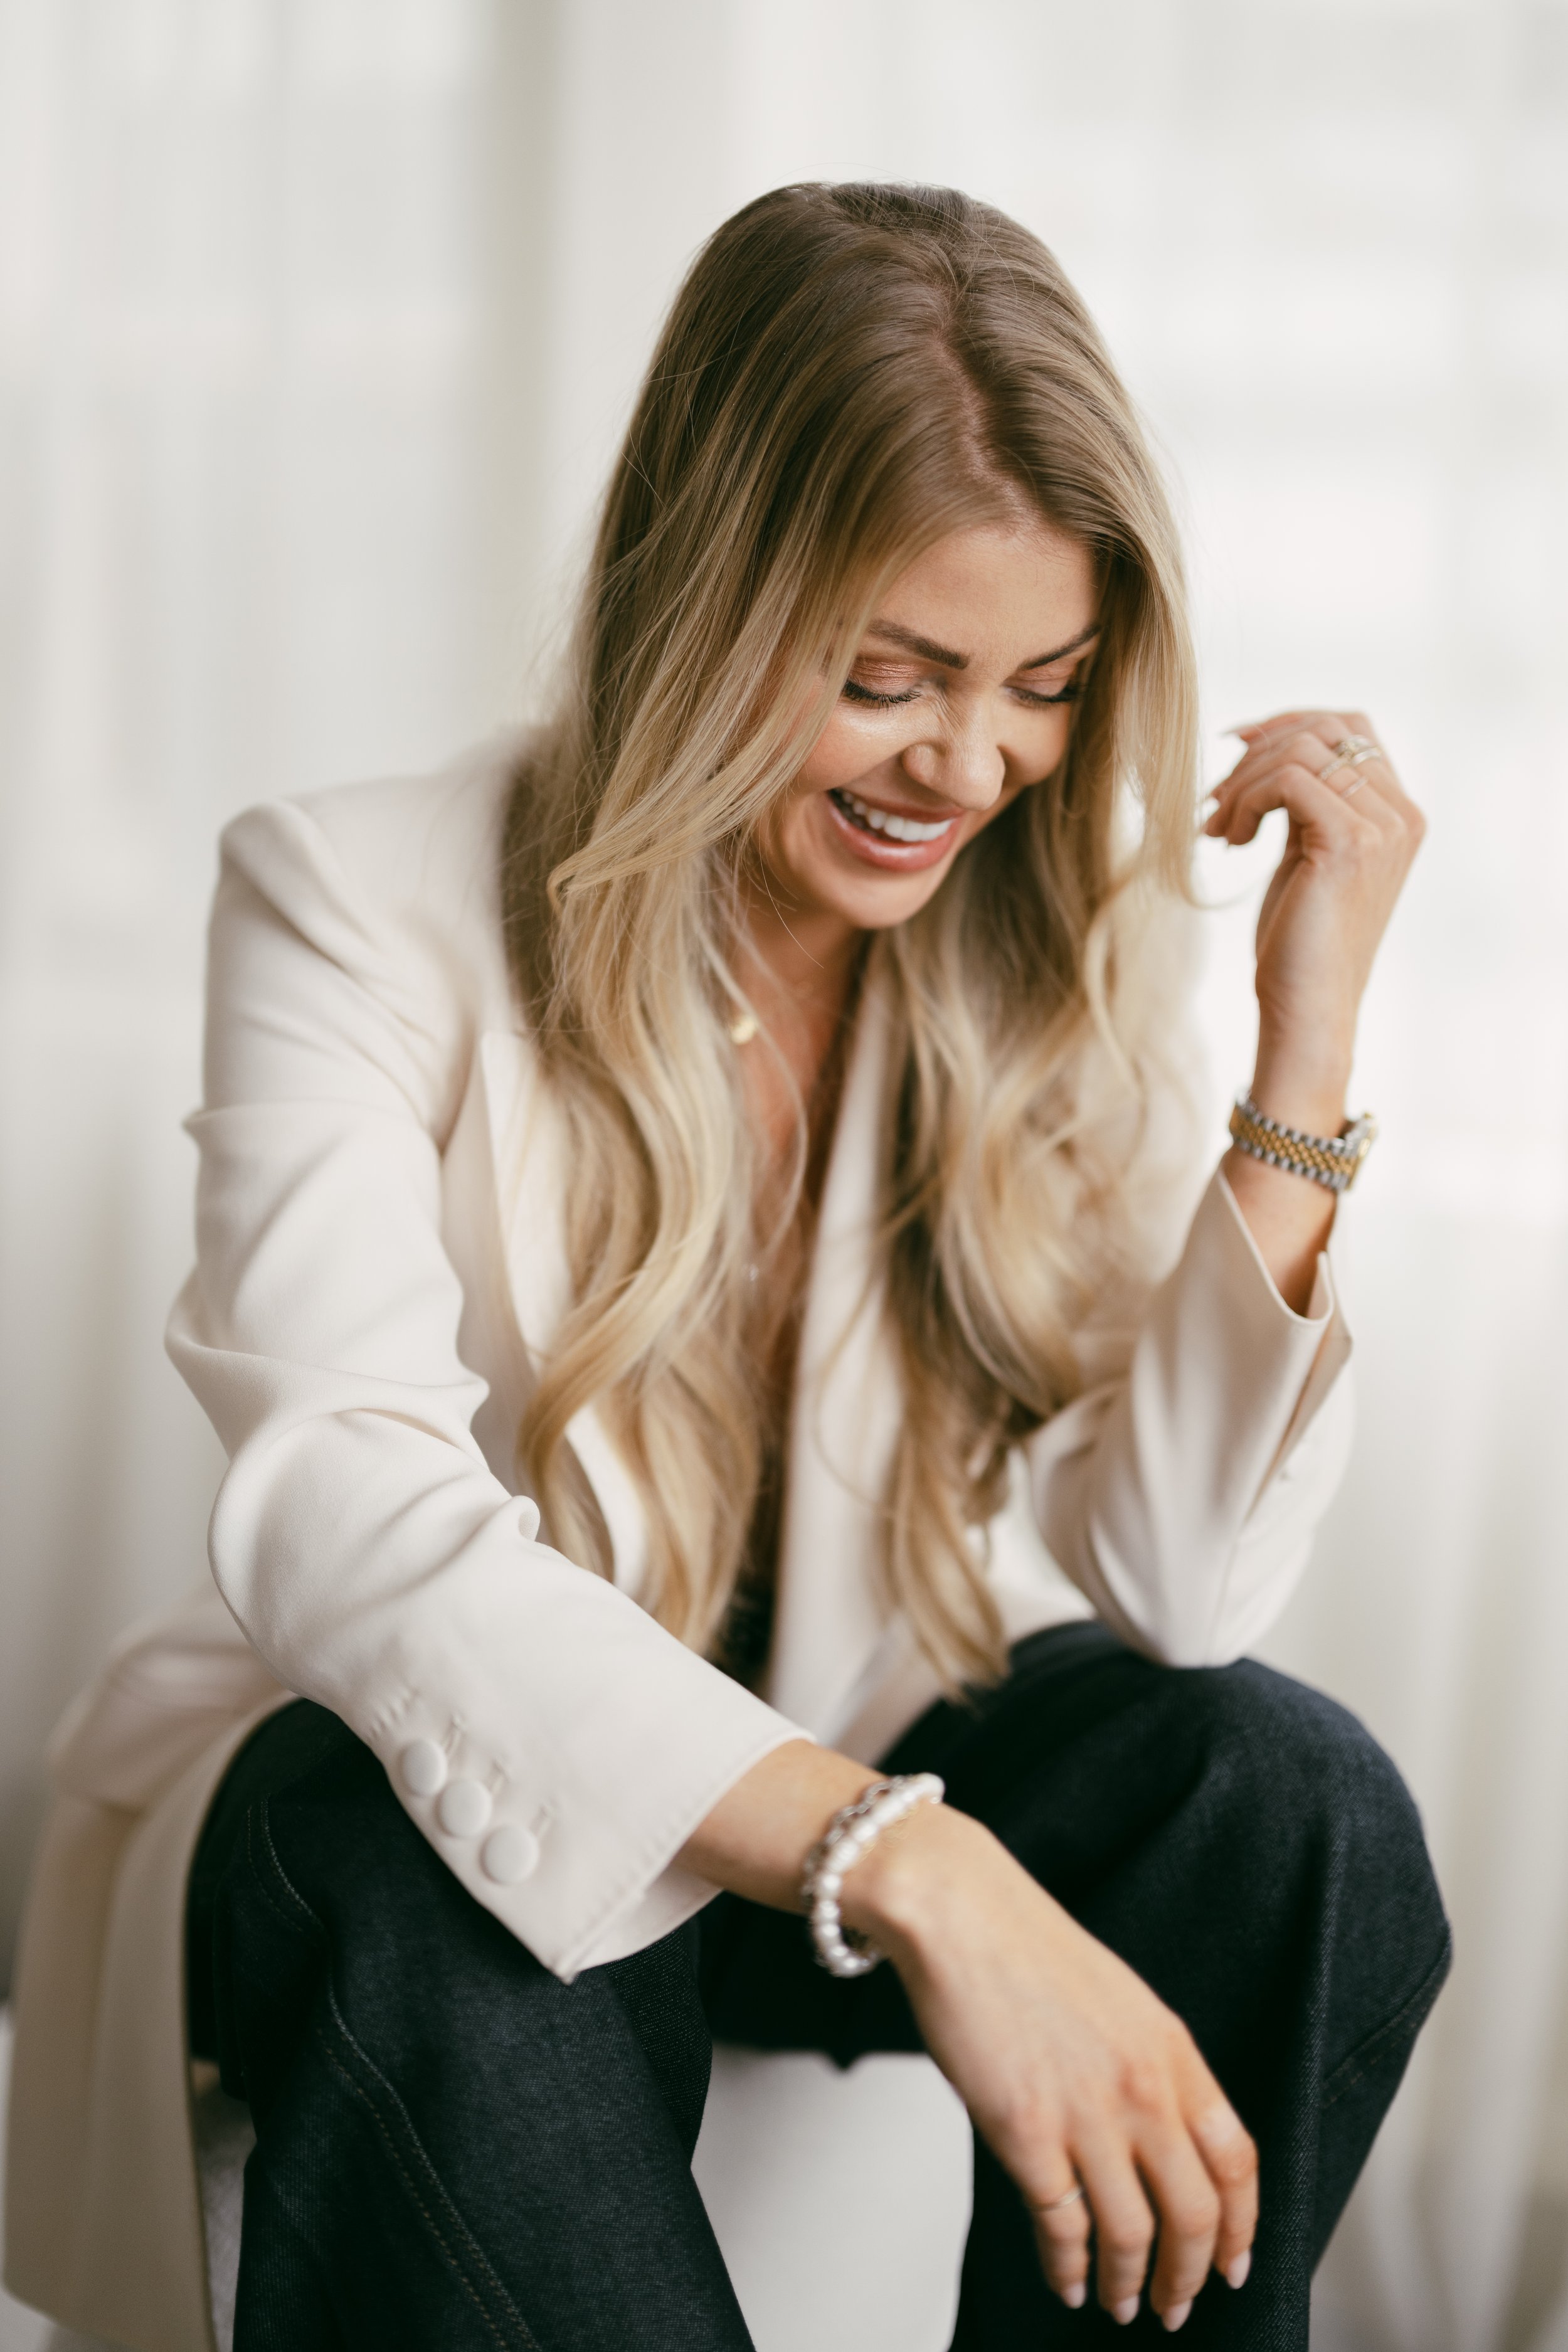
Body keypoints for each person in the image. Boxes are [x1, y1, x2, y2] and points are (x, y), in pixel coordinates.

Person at [4, 183, 1447, 2351]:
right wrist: (907, 1862)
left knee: (1283, 1793)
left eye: (1043, 688)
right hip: (374, 1798)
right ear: (703, 591)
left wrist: (1303, 1049)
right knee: (434, 1872)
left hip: (822, 1764)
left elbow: (1179, 1587)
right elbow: (345, 1518)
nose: (969, 765)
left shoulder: (1035, 946)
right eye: (886, 679)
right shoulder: (345, 902)